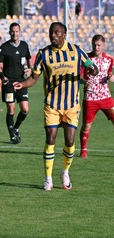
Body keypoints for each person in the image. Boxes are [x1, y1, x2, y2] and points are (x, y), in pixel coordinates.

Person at [13, 22, 98, 191]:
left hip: (71, 105)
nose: (53, 35)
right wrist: (22, 84)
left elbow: (91, 67)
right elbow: (34, 78)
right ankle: (48, 178)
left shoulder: (76, 51)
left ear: (64, 34)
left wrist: (92, 70)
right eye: (51, 32)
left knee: (70, 140)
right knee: (50, 138)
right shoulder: (43, 54)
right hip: (52, 104)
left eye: (57, 32)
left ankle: (65, 172)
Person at [0, 22, 32, 144]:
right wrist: (2, 77)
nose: (14, 33)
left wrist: (30, 69)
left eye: (17, 31)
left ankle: (16, 128)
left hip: (22, 82)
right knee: (11, 109)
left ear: (19, 32)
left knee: (25, 109)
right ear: (9, 32)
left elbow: (29, 59)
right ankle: (12, 135)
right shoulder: (4, 47)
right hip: (9, 83)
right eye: (12, 31)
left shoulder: (24, 46)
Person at [79, 34, 114, 159]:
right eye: (94, 45)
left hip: (106, 97)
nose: (96, 47)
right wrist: (84, 81)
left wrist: (111, 78)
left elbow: (111, 75)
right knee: (87, 125)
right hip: (90, 98)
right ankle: (83, 150)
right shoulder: (86, 59)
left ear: (104, 46)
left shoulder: (109, 60)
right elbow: (79, 76)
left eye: (99, 45)